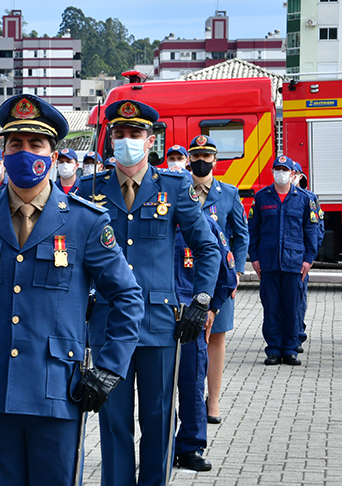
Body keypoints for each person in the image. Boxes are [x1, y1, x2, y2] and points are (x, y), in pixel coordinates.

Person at [0, 93, 144, 486]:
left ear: (54, 156)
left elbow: (128, 296)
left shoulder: (85, 222)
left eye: (36, 145)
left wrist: (109, 368)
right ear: (3, 153)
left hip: (57, 392)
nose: (25, 153)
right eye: (15, 145)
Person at [79, 99, 219, 486]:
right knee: (113, 422)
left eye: (135, 134)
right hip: (107, 323)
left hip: (159, 324)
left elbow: (206, 246)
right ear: (109, 141)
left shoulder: (174, 188)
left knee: (158, 419)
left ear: (149, 138)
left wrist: (202, 298)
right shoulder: (88, 189)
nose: (127, 141)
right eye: (120, 134)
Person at [185, 135, 248, 424]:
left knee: (216, 339)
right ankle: (189, 398)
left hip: (219, 277)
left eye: (206, 157)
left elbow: (241, 233)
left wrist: (236, 273)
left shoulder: (229, 193)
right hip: (183, 274)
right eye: (195, 157)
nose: (200, 162)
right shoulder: (179, 190)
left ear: (215, 160)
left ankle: (214, 400)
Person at [172, 210, 237, 472]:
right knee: (156, 391)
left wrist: (211, 309)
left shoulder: (203, 223)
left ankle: (190, 448)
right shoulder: (150, 218)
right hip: (154, 316)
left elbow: (227, 273)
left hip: (192, 319)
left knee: (191, 386)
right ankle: (159, 446)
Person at [248, 155, 320, 367]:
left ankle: (289, 349)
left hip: (294, 262)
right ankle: (273, 349)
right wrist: (255, 257)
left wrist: (308, 259)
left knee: (291, 307)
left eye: (285, 170)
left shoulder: (304, 199)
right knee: (271, 308)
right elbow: (254, 230)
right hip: (269, 262)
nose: (281, 173)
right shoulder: (262, 197)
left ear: (293, 174)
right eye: (277, 169)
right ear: (273, 172)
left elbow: (311, 230)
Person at [290, 160, 324, 355]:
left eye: (294, 173)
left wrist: (309, 257)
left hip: (299, 259)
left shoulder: (309, 199)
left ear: (300, 176)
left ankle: (297, 335)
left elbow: (317, 230)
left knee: (298, 300)